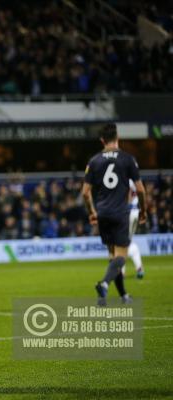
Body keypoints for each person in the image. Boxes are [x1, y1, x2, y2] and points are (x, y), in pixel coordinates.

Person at [82, 124, 146, 306]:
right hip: (120, 213)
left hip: (102, 213)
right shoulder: (127, 159)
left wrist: (92, 212)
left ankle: (122, 296)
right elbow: (140, 190)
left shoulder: (94, 161)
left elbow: (85, 193)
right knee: (121, 257)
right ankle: (103, 283)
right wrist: (144, 209)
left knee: (113, 257)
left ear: (102, 140)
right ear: (117, 138)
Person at [126, 179, 144, 278]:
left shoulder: (125, 177)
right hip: (135, 212)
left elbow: (128, 192)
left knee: (121, 242)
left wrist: (127, 206)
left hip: (128, 212)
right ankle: (139, 268)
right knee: (128, 241)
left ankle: (121, 272)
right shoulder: (134, 178)